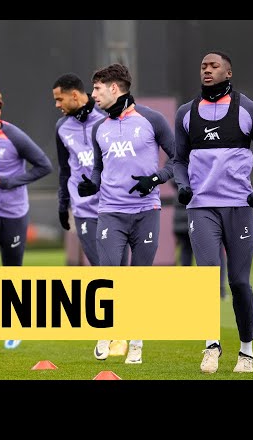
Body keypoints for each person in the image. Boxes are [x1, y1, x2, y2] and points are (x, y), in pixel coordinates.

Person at [173, 51, 253, 374]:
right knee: (206, 279)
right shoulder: (186, 113)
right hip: (202, 207)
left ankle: (246, 351)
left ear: (228, 73)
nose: (207, 70)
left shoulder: (249, 110)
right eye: (203, 65)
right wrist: (182, 184)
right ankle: (211, 346)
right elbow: (178, 159)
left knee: (239, 282)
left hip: (239, 207)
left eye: (214, 66)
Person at [78, 63, 176, 365]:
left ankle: (136, 342)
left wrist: (157, 178)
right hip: (110, 212)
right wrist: (91, 183)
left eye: (96, 88)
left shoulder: (152, 119)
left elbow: (177, 159)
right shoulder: (98, 127)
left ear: (114, 88)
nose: (92, 94)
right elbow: (98, 166)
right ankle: (105, 332)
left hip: (147, 212)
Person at [0, 86, 53, 350]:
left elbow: (44, 166)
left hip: (13, 215)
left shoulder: (14, 137)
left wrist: (13, 181)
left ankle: (14, 326)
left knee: (11, 273)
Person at [53, 73, 131, 359]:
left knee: (118, 272)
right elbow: (65, 169)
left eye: (60, 98)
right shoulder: (62, 127)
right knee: (102, 272)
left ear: (76, 95)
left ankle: (120, 332)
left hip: (112, 207)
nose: (57, 104)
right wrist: (64, 204)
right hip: (84, 211)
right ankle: (114, 332)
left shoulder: (107, 120)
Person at [172, 183, 228, 299]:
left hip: (184, 214)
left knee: (186, 251)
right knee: (215, 250)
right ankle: (217, 287)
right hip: (202, 212)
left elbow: (174, 179)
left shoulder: (178, 169)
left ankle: (190, 288)